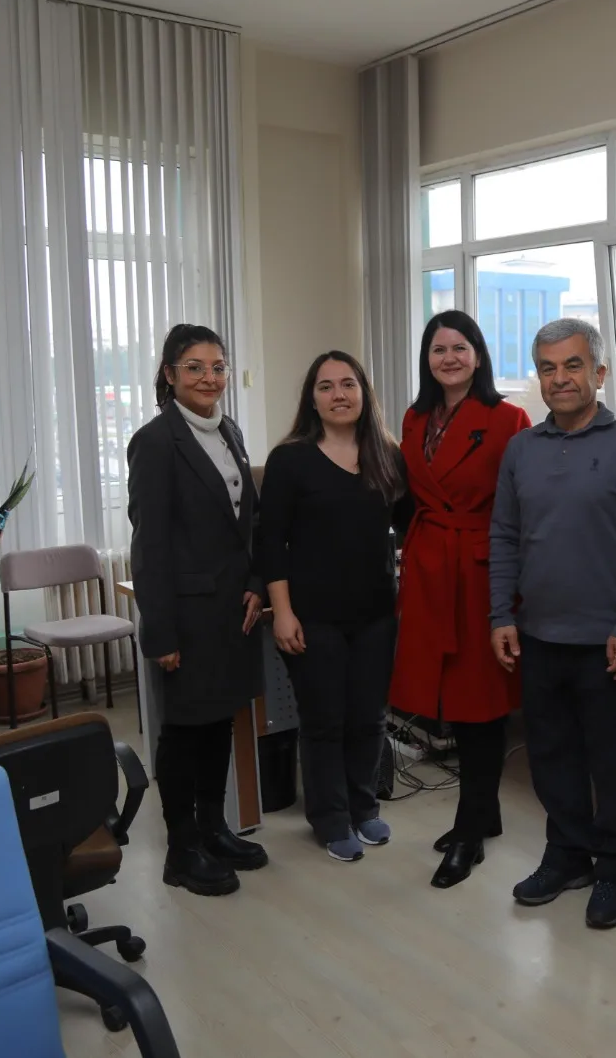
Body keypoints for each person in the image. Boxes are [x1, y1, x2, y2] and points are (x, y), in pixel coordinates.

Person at [488, 318, 616, 930]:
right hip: (538, 635)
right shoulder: (522, 449)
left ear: (599, 372)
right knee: (551, 756)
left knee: (613, 763)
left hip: (608, 640)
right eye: (547, 368)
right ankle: (565, 854)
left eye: (572, 365)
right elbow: (504, 536)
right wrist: (500, 614)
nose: (559, 378)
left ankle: (614, 865)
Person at [390, 310, 531, 889]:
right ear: (426, 359)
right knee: (445, 695)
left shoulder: (509, 418)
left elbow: (522, 508)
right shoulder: (415, 417)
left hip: (481, 572)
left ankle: (470, 830)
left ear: (478, 354)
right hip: (429, 567)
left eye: (459, 347)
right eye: (438, 349)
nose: (448, 358)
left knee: (480, 702)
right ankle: (485, 813)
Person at [127, 323, 269, 897]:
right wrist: (160, 632)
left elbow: (248, 521)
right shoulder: (156, 442)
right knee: (185, 730)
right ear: (169, 374)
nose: (209, 378)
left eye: (217, 367)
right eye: (195, 368)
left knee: (219, 721)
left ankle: (214, 828)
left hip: (233, 611)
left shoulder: (228, 430)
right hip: (187, 616)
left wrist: (257, 583)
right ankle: (182, 849)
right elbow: (150, 545)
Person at [259, 352, 411, 863]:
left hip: (375, 615)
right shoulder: (290, 459)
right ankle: (329, 818)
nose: (338, 394)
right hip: (313, 615)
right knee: (324, 720)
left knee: (369, 718)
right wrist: (282, 612)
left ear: (364, 393)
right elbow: (271, 542)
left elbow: (413, 527)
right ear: (313, 398)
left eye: (348, 384)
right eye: (326, 386)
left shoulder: (387, 454)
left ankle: (363, 808)